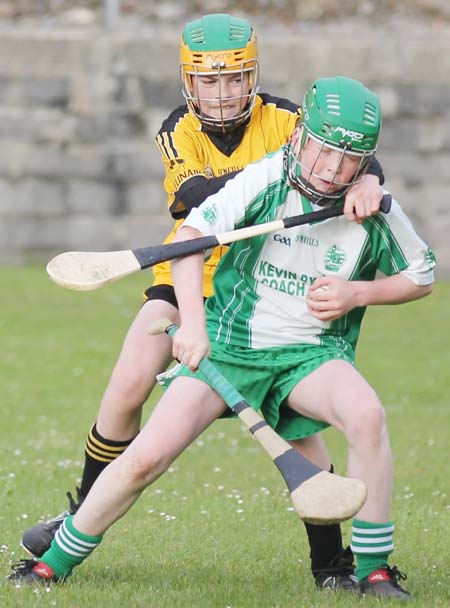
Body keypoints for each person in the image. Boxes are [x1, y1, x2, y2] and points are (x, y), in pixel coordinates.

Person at [8, 76, 434, 599]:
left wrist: (357, 294)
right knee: (144, 459)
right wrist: (192, 323)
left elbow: (421, 275)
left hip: (311, 355)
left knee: (367, 416)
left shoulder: (372, 208)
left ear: (366, 161)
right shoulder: (265, 178)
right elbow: (190, 241)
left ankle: (373, 570)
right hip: (229, 345)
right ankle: (51, 564)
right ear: (301, 137)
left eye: (349, 160)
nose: (331, 169)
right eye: (323, 151)